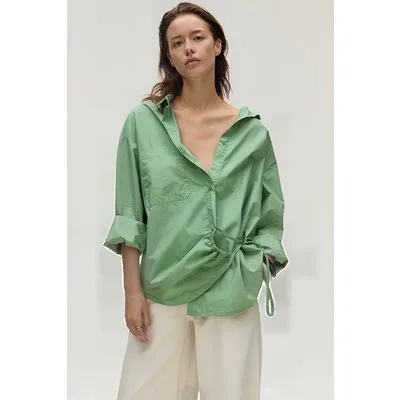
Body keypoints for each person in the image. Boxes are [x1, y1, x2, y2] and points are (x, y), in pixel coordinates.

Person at [103, 2, 289, 399]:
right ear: (169, 56)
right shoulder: (143, 123)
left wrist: (254, 266)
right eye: (176, 43)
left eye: (197, 37)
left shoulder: (251, 133)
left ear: (217, 45)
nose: (188, 47)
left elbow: (270, 214)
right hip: (163, 290)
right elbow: (130, 212)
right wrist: (132, 292)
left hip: (230, 291)